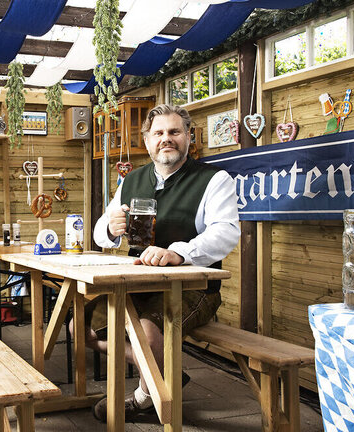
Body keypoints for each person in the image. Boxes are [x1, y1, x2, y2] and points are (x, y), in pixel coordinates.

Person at [85, 104, 240, 422]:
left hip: (193, 287)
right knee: (82, 327)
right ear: (147, 140)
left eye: (174, 132)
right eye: (159, 133)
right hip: (135, 283)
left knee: (148, 331)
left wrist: (180, 253)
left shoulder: (214, 179)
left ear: (188, 137)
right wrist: (111, 228)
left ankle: (146, 397)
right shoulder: (131, 180)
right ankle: (163, 371)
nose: (166, 139)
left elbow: (227, 231)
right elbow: (101, 232)